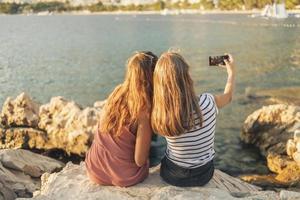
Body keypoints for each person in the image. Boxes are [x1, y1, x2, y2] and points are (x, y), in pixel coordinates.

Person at [151, 52, 235, 187]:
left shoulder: (161, 112)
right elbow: (228, 96)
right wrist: (231, 72)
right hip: (203, 175)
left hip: (172, 176)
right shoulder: (208, 102)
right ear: (187, 77)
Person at [85, 51, 158, 187]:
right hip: (124, 178)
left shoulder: (116, 93)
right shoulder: (144, 110)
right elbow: (140, 160)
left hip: (95, 170)